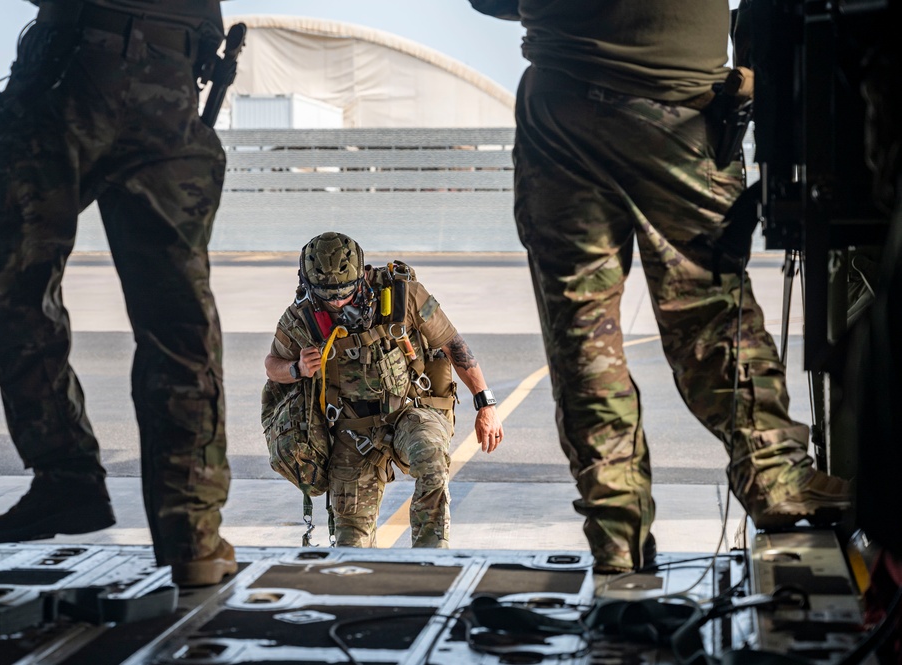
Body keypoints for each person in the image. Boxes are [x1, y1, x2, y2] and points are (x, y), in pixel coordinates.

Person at [471, 0, 852, 573]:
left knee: (584, 338)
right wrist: (753, 72)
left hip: (562, 102)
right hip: (678, 104)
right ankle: (774, 480)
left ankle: (617, 534)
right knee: (711, 312)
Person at [0, 0, 235, 587]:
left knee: (22, 289)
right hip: (168, 78)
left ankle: (66, 476)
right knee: (176, 315)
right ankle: (192, 534)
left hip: (69, 66)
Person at [264, 232, 504, 548]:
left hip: (411, 410)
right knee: (351, 543)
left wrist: (485, 404)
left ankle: (431, 560)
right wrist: (297, 368)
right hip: (352, 430)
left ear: (362, 275)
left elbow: (453, 345)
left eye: (344, 294)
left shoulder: (404, 295)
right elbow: (272, 365)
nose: (337, 302)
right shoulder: (301, 316)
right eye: (327, 295)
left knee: (432, 463)